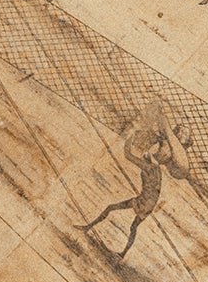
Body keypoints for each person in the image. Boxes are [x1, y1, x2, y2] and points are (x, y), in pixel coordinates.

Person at [79, 97, 201, 257]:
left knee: (113, 209)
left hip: (144, 201)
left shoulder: (149, 167)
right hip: (148, 202)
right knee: (132, 226)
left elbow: (128, 155)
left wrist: (129, 137)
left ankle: (90, 228)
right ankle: (121, 251)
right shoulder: (154, 167)